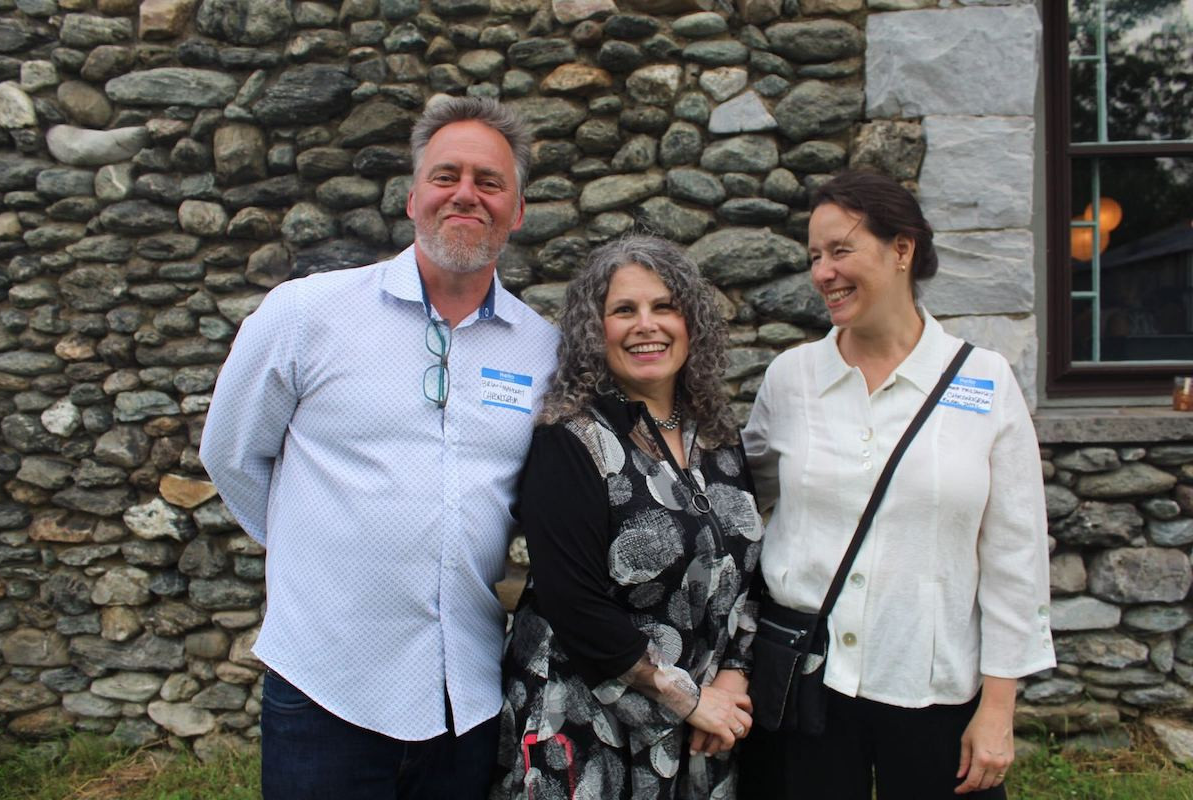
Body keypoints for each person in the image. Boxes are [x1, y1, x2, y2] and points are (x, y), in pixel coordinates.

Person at [199, 97, 559, 799]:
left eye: (489, 182)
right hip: (325, 687)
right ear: (412, 197)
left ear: (517, 211)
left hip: (464, 697)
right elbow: (231, 455)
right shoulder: (308, 314)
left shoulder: (542, 349)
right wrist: (319, 559)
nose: (466, 194)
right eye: (446, 176)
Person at [738, 171, 1055, 799]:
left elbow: (1015, 557)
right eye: (814, 256)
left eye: (840, 250)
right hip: (807, 681)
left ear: (902, 249)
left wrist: (998, 708)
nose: (823, 272)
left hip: (932, 686)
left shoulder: (986, 383)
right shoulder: (792, 379)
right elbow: (738, 499)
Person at [492, 234, 763, 800]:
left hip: (698, 729)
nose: (647, 325)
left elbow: (747, 566)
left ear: (692, 322)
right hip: (585, 728)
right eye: (624, 310)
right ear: (596, 331)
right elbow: (575, 604)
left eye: (664, 306)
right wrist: (689, 699)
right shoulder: (571, 441)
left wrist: (732, 678)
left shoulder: (717, 436)